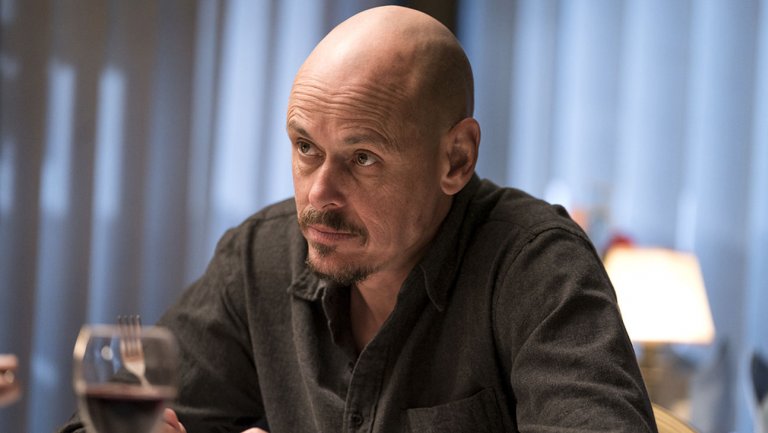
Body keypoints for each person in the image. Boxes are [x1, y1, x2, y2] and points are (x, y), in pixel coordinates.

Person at [61, 5, 657, 433]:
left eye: (363, 157)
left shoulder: (536, 265)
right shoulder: (260, 257)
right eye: (305, 147)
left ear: (456, 159)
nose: (319, 195)